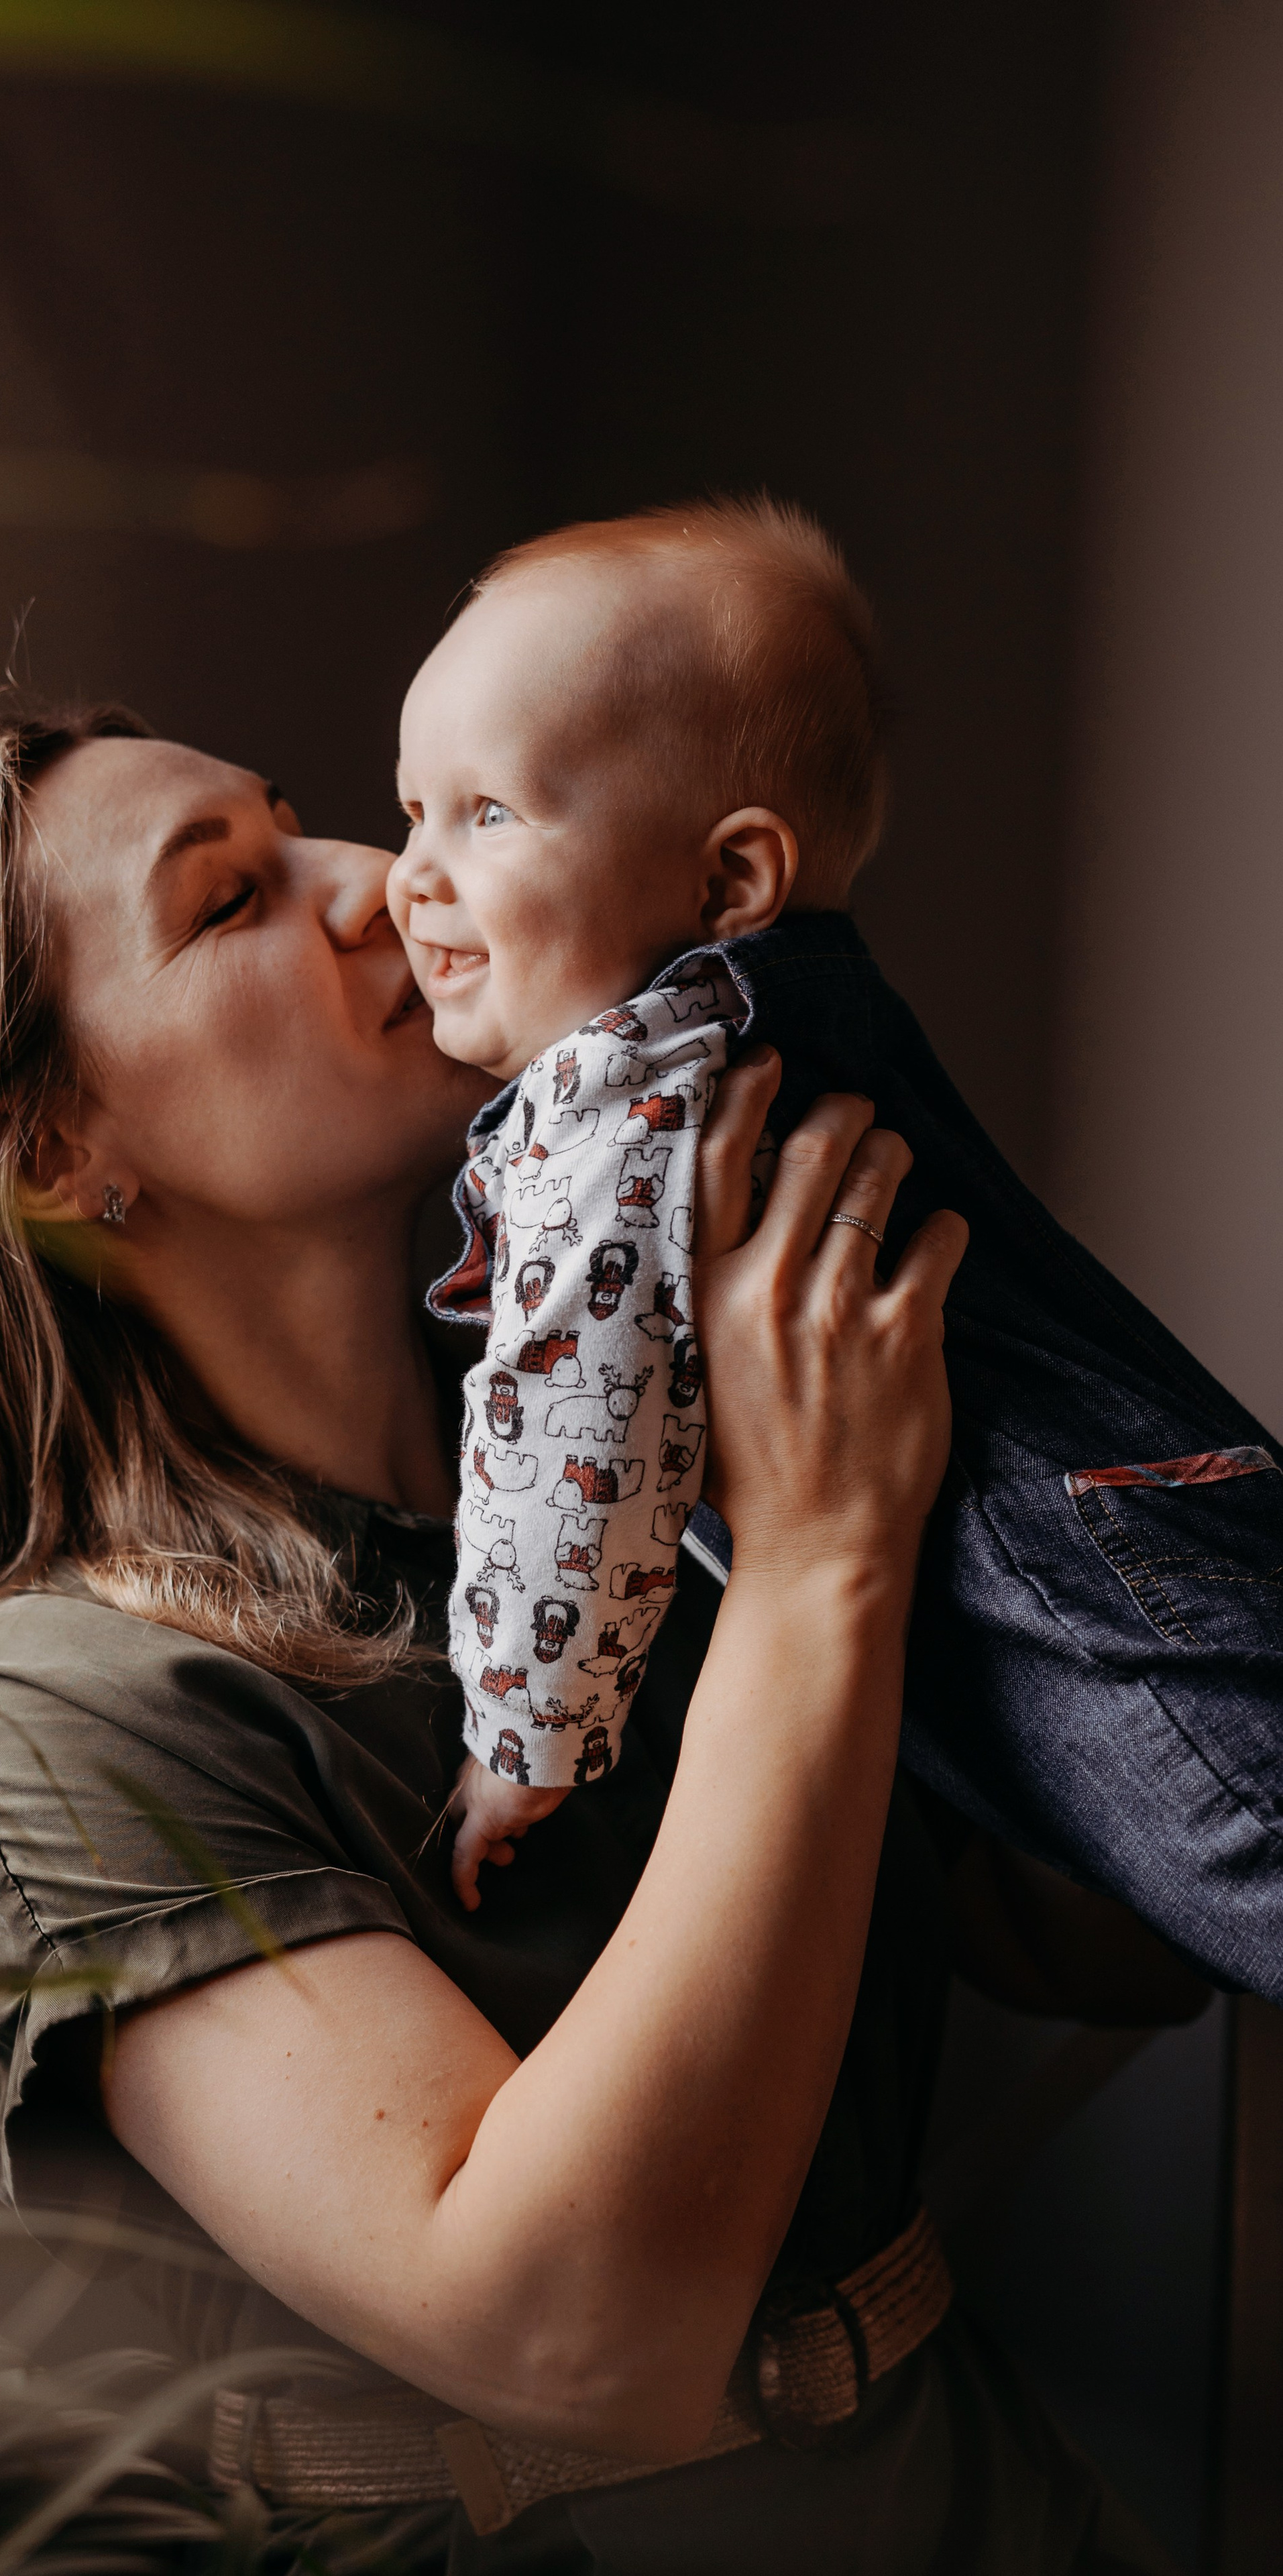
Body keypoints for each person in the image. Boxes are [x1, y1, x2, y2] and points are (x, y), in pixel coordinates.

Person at [0, 702, 1203, 2571]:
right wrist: (821, 1565)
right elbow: (578, 2333)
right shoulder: (60, 1707)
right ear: (55, 1152)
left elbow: (1104, 1936)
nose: (386, 886)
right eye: (232, 904)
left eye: (308, 828)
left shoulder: (654, 1470)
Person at [390, 498, 1283, 1962]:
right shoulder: (787, 1017)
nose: (411, 874)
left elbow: (574, 1406)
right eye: (412, 808)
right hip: (1147, 1514)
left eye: (488, 814)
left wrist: (524, 1730)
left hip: (1069, 1590)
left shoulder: (612, 1094)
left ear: (727, 882)